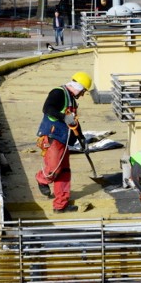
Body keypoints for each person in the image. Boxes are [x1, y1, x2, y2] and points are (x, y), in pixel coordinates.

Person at [35, 71, 92, 213]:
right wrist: (63, 117)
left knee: (64, 171)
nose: (83, 94)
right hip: (53, 136)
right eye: (83, 91)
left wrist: (82, 139)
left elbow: (73, 122)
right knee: (54, 168)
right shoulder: (58, 93)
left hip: (65, 139)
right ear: (79, 87)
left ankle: (61, 205)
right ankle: (42, 179)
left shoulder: (72, 100)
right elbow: (47, 108)